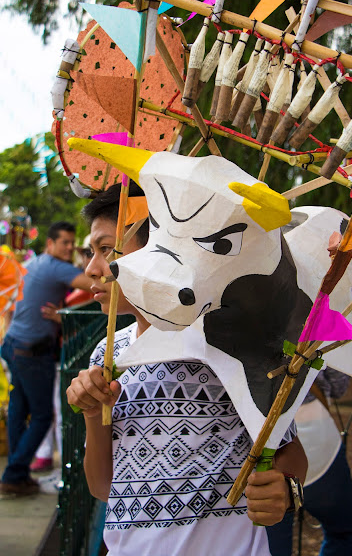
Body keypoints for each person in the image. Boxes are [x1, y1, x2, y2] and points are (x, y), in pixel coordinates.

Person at [67, 181, 308, 556]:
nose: (91, 268)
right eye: (91, 251)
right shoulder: (107, 354)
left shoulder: (234, 345)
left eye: (105, 250)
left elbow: (288, 454)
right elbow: (102, 487)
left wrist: (286, 491)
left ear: (158, 250)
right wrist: (93, 412)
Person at [0, 221, 92, 495]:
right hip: (31, 351)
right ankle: (14, 474)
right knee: (41, 416)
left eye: (71, 242)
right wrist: (67, 314)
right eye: (64, 242)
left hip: (13, 344)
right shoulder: (56, 266)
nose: (69, 248)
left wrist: (62, 312)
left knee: (19, 410)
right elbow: (101, 286)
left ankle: (17, 472)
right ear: (50, 243)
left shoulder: (38, 263)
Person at [266, 369, 352, 556]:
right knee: (342, 530)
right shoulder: (320, 337)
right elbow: (338, 386)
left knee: (273, 548)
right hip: (317, 440)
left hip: (262, 447)